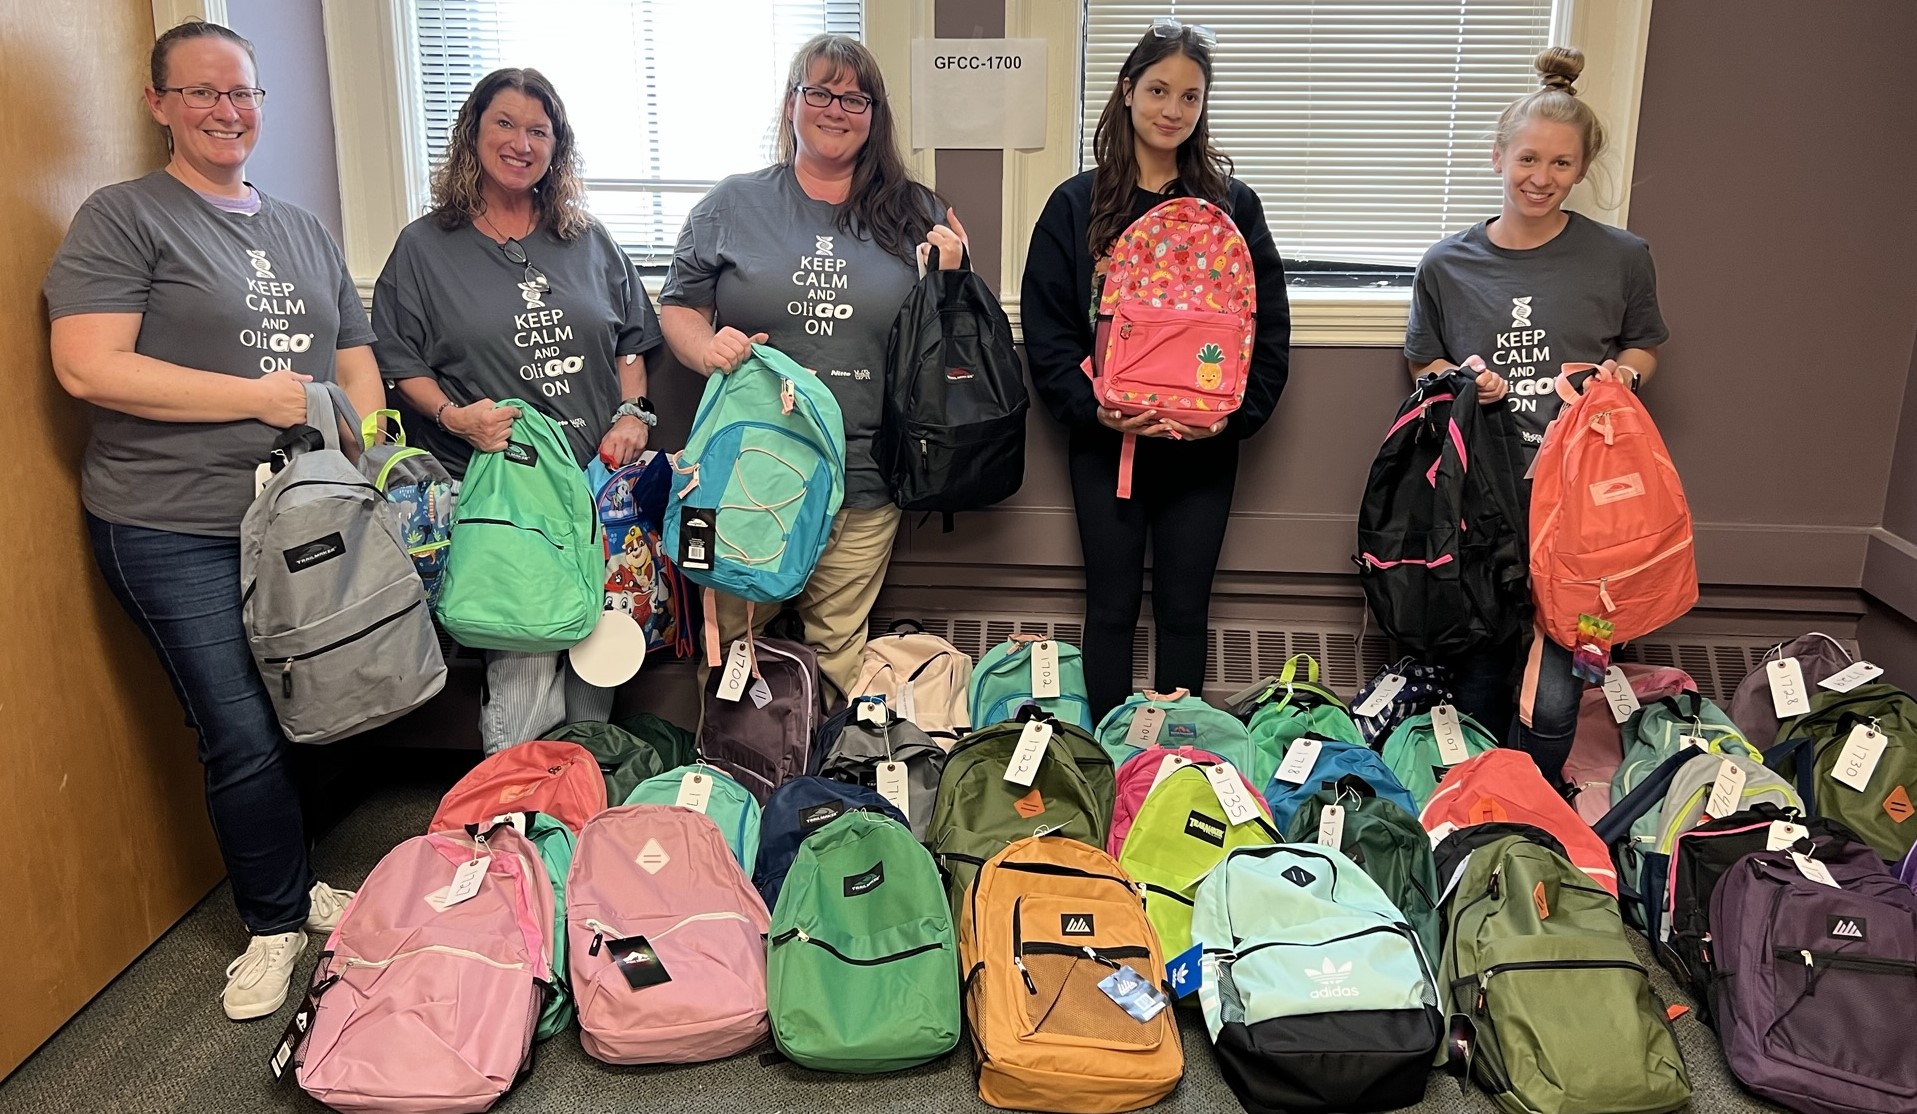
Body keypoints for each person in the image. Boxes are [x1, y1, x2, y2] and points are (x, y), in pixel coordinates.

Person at [44, 19, 380, 1020]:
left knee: (302, 704)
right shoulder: (124, 218)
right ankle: (273, 922)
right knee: (235, 723)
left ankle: (301, 880)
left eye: (241, 93)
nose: (226, 112)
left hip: (300, 517)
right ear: (158, 105)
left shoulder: (305, 228)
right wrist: (259, 399)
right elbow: (87, 364)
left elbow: (352, 354)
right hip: (172, 522)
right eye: (200, 93)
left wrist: (373, 444)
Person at [658, 33, 964, 704]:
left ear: (874, 114)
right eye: (820, 91)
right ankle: (733, 786)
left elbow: (946, 343)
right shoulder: (731, 204)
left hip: (863, 474)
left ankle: (820, 789)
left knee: (836, 651)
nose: (836, 108)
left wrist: (955, 276)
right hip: (747, 469)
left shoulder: (916, 210)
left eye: (855, 97)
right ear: (791, 102)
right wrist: (704, 347)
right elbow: (677, 306)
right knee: (736, 649)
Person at [374, 68, 665, 753]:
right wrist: (453, 418)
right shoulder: (425, 248)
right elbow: (399, 360)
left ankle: (579, 810)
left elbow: (630, 339)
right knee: (527, 658)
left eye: (539, 130)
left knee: (598, 656)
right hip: (505, 486)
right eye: (505, 123)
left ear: (556, 148)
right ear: (473, 133)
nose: (521, 142)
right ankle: (513, 826)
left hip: (595, 486)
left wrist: (635, 413)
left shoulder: (585, 239)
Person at [1404, 46, 1669, 785]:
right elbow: (1423, 361)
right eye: (1527, 159)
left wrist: (1620, 377)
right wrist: (1461, 381)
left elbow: (1644, 343)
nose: (1540, 178)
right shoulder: (1444, 265)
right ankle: (1483, 802)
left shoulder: (1620, 257)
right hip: (1482, 502)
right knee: (1480, 669)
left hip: (1580, 507)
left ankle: (1542, 799)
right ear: (1497, 157)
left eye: (1560, 164)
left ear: (1581, 169)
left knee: (1556, 689)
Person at [1020, 19, 1291, 720]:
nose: (1172, 109)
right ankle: (1110, 757)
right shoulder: (1074, 206)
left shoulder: (1232, 207)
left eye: (1190, 97)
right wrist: (1092, 410)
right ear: (1127, 92)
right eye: (1158, 90)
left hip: (1203, 450)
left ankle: (1179, 759)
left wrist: (1232, 419)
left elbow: (1268, 331)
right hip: (1108, 442)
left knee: (1183, 609)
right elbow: (1046, 330)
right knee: (1108, 608)